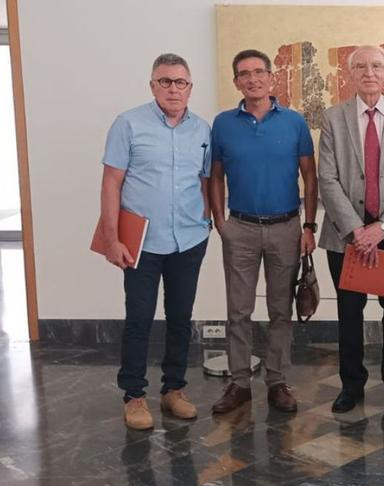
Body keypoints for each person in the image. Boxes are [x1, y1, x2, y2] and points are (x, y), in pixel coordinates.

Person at [100, 53, 211, 430]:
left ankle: (173, 390)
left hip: (189, 239)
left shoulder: (202, 129)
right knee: (139, 319)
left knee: (180, 318)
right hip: (141, 244)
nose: (173, 89)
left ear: (190, 87)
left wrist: (208, 219)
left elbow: (205, 179)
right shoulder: (128, 124)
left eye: (180, 82)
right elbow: (112, 182)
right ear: (152, 86)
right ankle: (134, 396)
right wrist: (113, 239)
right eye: (165, 81)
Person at [209, 49, 318, 415]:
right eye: (244, 74)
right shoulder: (223, 123)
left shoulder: (294, 122)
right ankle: (239, 383)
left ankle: (277, 382)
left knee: (280, 311)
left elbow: (310, 176)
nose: (252, 79)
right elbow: (216, 176)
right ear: (236, 81)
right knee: (238, 310)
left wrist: (308, 225)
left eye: (259, 72)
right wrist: (220, 222)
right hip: (239, 228)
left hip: (286, 228)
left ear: (272, 77)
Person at [318, 45, 384, 413]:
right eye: (361, 66)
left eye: (377, 66)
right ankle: (352, 386)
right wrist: (355, 229)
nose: (369, 72)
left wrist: (381, 227)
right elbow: (327, 179)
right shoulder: (333, 118)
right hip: (345, 237)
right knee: (349, 313)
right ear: (350, 74)